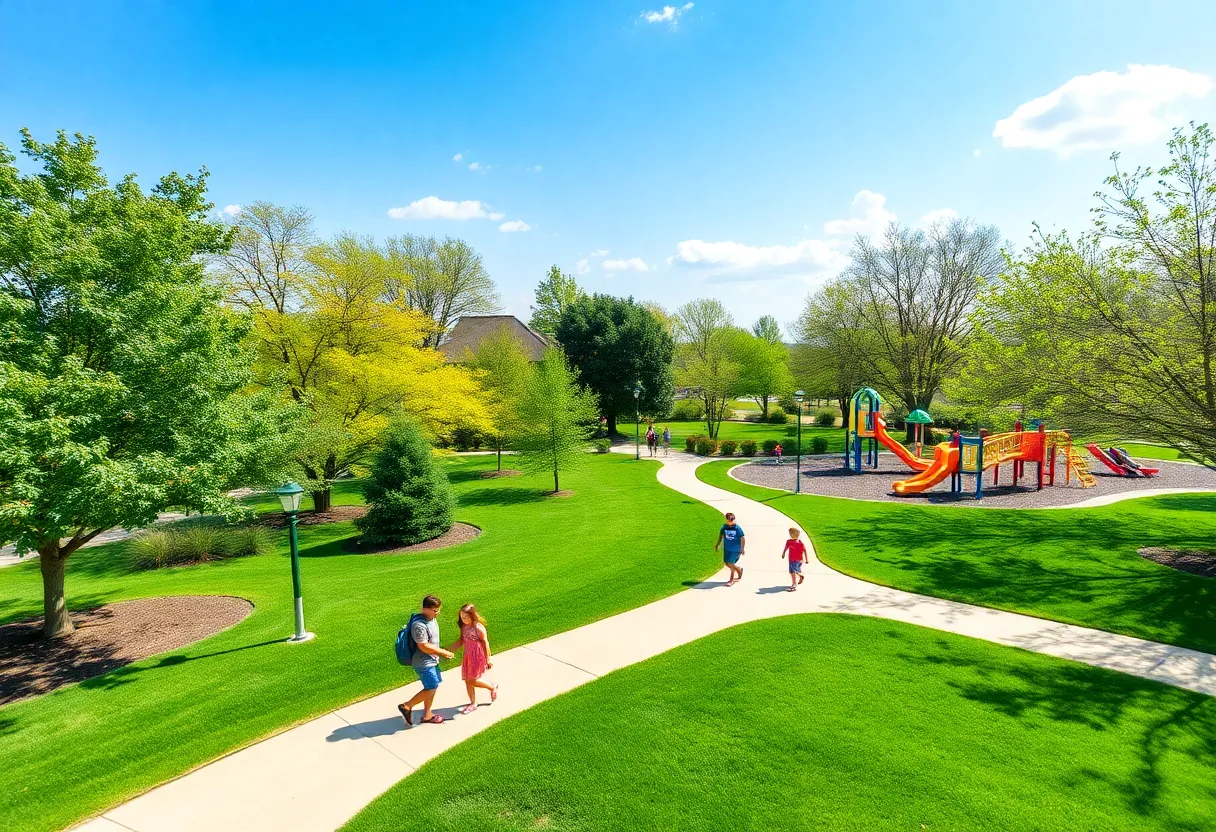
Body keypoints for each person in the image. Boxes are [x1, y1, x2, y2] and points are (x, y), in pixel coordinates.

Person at [398, 594, 453, 727]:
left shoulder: (430, 618)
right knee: (432, 686)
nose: (437, 613)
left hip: (432, 660)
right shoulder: (419, 625)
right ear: (425, 609)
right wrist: (443, 652)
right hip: (423, 663)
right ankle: (406, 706)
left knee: (432, 687)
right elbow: (423, 646)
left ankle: (428, 714)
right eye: (435, 610)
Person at [450, 603, 498, 714]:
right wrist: (449, 648)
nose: (464, 620)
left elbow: (486, 643)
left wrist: (488, 659)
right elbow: (461, 640)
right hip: (468, 656)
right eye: (462, 617)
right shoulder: (464, 627)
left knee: (472, 680)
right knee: (467, 680)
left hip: (477, 656)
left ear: (472, 615)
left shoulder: (478, 627)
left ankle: (492, 686)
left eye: (466, 617)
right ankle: (473, 702)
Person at [714, 511, 746, 586]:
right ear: (726, 519)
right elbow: (721, 536)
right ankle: (739, 569)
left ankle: (731, 580)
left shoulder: (737, 528)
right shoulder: (724, 527)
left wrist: (742, 548)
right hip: (727, 548)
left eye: (733, 519)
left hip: (735, 549)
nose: (732, 521)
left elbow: (742, 538)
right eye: (730, 519)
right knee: (726, 563)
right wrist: (717, 544)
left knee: (731, 563)